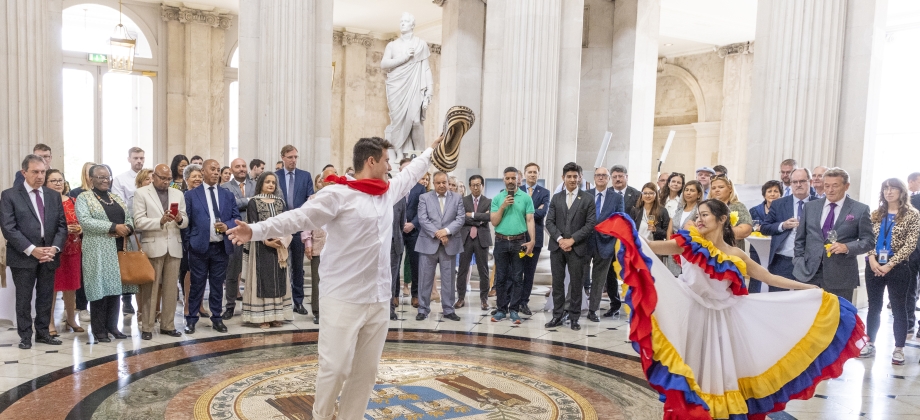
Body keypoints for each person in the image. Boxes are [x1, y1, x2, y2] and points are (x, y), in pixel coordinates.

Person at [227, 135, 440, 420]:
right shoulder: (338, 194)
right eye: (387, 160)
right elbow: (297, 218)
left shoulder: (386, 191)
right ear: (371, 161)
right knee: (335, 368)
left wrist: (432, 149)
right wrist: (254, 230)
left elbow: (411, 173)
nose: (390, 166)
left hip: (377, 298)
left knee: (366, 373)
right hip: (342, 296)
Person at [595, 200, 863, 420]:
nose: (699, 220)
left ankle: (716, 413)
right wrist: (629, 235)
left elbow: (769, 278)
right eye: (697, 215)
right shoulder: (689, 243)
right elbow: (649, 249)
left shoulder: (737, 256)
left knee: (718, 370)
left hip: (722, 319)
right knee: (692, 365)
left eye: (705, 215)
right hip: (688, 312)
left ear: (722, 219)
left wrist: (809, 290)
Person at [1, 155, 68, 349]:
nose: (40, 176)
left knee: (46, 296)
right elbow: (8, 228)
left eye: (43, 172)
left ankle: (43, 333)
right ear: (24, 173)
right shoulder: (10, 195)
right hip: (23, 255)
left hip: (49, 254)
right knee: (24, 298)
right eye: (35, 172)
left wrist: (54, 248)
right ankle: (24, 336)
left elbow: (62, 226)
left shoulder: (53, 195)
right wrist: (32, 250)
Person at [857, 178, 919, 364]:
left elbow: (910, 245)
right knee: (873, 306)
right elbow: (866, 238)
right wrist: (873, 259)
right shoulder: (876, 214)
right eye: (886, 188)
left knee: (899, 307)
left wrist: (890, 264)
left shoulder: (912, 215)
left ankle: (898, 348)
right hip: (874, 265)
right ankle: (870, 343)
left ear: (901, 192)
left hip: (898, 267)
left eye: (893, 188)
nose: (889, 192)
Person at [794, 168, 874, 302]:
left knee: (837, 317)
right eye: (827, 186)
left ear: (846, 186)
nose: (830, 190)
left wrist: (847, 247)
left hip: (841, 276)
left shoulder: (860, 209)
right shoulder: (810, 207)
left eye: (835, 186)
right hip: (807, 273)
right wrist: (798, 261)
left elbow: (869, 241)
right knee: (806, 317)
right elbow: (800, 239)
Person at [76, 164, 136, 343]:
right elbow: (85, 222)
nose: (105, 180)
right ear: (91, 179)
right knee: (98, 290)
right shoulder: (84, 198)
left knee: (115, 290)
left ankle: (112, 327)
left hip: (119, 248)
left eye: (107, 176)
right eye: (100, 177)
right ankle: (99, 330)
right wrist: (112, 227)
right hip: (97, 251)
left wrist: (128, 228)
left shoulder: (115, 197)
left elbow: (129, 218)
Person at [183, 160, 239, 334]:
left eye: (218, 170)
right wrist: (189, 243)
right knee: (197, 285)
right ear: (203, 171)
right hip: (199, 247)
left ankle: (217, 318)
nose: (216, 172)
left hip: (220, 247)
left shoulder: (227, 195)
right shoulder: (192, 195)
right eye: (212, 169)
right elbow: (187, 222)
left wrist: (227, 225)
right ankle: (191, 319)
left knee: (217, 285)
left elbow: (236, 217)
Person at [132, 164, 187, 340]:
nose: (165, 181)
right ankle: (147, 326)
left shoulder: (178, 193)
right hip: (153, 244)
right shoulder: (142, 193)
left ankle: (168, 325)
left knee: (171, 289)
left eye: (168, 178)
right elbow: (138, 222)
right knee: (150, 289)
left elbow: (185, 220)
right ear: (154, 176)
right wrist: (160, 221)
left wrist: (180, 219)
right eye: (162, 178)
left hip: (174, 245)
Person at [544, 162, 596, 331]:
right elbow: (549, 221)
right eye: (569, 176)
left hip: (578, 247)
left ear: (580, 178)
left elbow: (590, 224)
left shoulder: (587, 198)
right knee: (558, 283)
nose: (573, 179)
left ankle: (574, 317)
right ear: (563, 178)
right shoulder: (556, 197)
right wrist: (560, 239)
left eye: (575, 176)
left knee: (576, 284)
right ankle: (557, 316)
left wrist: (571, 240)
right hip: (557, 247)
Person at [241, 172, 294, 328]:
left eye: (273, 182)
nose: (271, 185)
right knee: (263, 280)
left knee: (278, 280)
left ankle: (276, 315)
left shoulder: (280, 202)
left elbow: (286, 224)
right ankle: (262, 317)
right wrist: (266, 241)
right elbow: (253, 225)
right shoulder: (253, 202)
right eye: (267, 182)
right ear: (261, 184)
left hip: (279, 246)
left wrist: (281, 240)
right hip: (260, 247)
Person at [415, 172, 465, 321]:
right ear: (434, 183)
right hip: (428, 243)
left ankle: (448, 309)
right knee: (425, 278)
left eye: (444, 182)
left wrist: (446, 231)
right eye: (438, 183)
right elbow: (423, 219)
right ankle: (423, 309)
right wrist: (438, 234)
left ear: (448, 183)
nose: (442, 185)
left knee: (448, 279)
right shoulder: (424, 197)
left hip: (449, 244)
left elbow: (460, 218)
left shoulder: (456, 198)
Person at [490, 167, 535, 323]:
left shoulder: (526, 198)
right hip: (501, 241)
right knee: (501, 277)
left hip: (519, 241)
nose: (510, 181)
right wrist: (503, 206)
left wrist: (532, 240)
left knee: (517, 278)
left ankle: (514, 310)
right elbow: (494, 221)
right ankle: (501, 310)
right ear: (503, 179)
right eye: (507, 178)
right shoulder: (497, 199)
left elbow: (530, 220)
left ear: (518, 179)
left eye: (513, 178)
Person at [43, 170, 84, 336]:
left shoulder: (73, 201)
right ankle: (50, 321)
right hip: (54, 249)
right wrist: (63, 230)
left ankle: (71, 319)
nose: (58, 183)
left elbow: (82, 221)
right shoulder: (44, 202)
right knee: (52, 287)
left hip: (73, 248)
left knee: (71, 286)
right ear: (46, 183)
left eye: (60, 180)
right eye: (53, 181)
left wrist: (80, 229)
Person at [275, 145, 314, 316]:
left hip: (298, 228)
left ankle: (298, 302)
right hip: (280, 227)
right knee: (279, 266)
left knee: (297, 267)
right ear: (283, 157)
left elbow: (310, 201)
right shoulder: (274, 177)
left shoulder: (305, 176)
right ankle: (278, 301)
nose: (293, 160)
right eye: (290, 157)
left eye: (295, 157)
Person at [763, 170, 817, 294]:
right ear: (790, 184)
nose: (798, 185)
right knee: (778, 299)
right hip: (782, 260)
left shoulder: (819, 204)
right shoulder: (779, 204)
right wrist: (783, 225)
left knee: (805, 299)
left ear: (810, 182)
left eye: (802, 181)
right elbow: (765, 227)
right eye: (795, 182)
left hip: (808, 261)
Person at [584, 166, 624, 321]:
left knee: (599, 280)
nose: (601, 178)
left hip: (606, 243)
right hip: (585, 242)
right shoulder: (585, 195)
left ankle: (593, 310)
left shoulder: (616, 198)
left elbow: (620, 220)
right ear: (594, 178)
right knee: (579, 277)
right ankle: (572, 308)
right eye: (598, 175)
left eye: (604, 175)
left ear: (609, 179)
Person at [220, 158, 255, 320]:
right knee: (232, 273)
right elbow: (230, 205)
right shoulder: (225, 187)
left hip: (256, 233)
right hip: (235, 234)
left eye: (243, 166)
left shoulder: (256, 184)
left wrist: (243, 202)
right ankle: (230, 306)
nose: (241, 169)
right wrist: (248, 201)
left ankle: (254, 305)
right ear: (231, 170)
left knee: (254, 272)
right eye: (237, 166)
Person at [303, 167, 337, 324]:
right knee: (318, 280)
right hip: (319, 243)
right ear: (322, 182)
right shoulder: (313, 199)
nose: (331, 181)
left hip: (338, 246)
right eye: (328, 178)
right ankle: (317, 311)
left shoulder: (342, 198)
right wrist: (308, 242)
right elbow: (306, 221)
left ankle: (333, 310)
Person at [456, 175, 492, 310]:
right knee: (462, 269)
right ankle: (460, 298)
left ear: (482, 186)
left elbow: (489, 217)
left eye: (478, 185)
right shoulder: (462, 200)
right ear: (470, 186)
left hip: (482, 238)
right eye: (473, 185)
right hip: (465, 238)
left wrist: (471, 215)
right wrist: (479, 219)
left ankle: (484, 299)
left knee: (484, 270)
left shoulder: (488, 201)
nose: (476, 187)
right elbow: (461, 218)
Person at [519, 163, 550, 315]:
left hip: (534, 239)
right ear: (524, 174)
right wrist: (533, 211)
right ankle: (514, 301)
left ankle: (524, 302)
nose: (532, 174)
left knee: (529, 273)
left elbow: (542, 213)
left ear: (538, 174)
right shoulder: (516, 191)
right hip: (517, 238)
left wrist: (524, 212)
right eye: (529, 172)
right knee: (516, 272)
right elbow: (514, 213)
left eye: (535, 172)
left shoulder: (544, 192)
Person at [178, 164, 208, 319]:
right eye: (194, 176)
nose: (198, 179)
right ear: (186, 179)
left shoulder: (205, 195)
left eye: (199, 176)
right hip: (187, 239)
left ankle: (200, 304)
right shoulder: (182, 196)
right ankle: (188, 305)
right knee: (189, 273)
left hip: (203, 239)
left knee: (202, 274)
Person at [68, 161, 96, 323]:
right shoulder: (76, 192)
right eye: (89, 171)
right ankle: (81, 306)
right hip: (80, 237)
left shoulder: (103, 193)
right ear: (85, 175)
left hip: (97, 237)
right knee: (82, 274)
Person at [747, 179, 784, 293]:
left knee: (774, 276)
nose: (772, 194)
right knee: (756, 276)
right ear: (764, 194)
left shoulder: (784, 211)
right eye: (769, 191)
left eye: (776, 191)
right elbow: (751, 227)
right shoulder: (754, 210)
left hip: (777, 248)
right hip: (757, 248)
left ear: (781, 194)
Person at [400, 158, 427, 307]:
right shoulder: (395, 187)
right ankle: (393, 295)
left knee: (415, 264)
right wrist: (400, 224)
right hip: (397, 231)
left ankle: (415, 294)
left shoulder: (420, 188)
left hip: (414, 231)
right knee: (395, 264)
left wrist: (413, 224)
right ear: (400, 171)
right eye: (405, 169)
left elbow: (422, 211)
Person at [665, 181, 704, 275]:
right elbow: (670, 230)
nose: (688, 193)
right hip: (674, 251)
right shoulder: (680, 209)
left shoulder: (700, 210)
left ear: (699, 194)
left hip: (690, 252)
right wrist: (672, 250)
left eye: (692, 190)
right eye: (686, 190)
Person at [709, 175, 753, 249]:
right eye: (713, 188)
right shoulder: (707, 207)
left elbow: (746, 230)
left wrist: (719, 232)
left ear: (730, 189)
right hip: (710, 250)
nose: (717, 190)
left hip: (732, 252)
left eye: (721, 187)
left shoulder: (738, 206)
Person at [390, 182, 407, 320]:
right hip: (376, 245)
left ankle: (389, 309)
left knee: (391, 278)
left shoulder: (400, 199)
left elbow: (401, 223)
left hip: (394, 244)